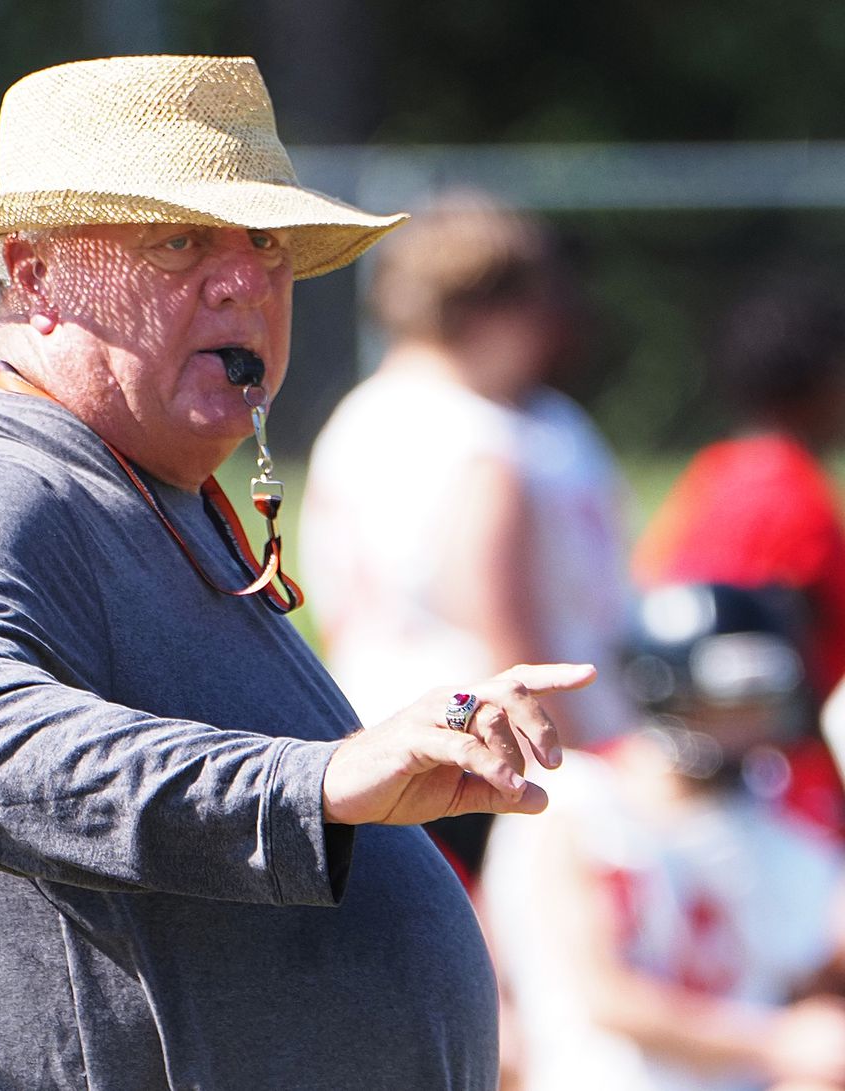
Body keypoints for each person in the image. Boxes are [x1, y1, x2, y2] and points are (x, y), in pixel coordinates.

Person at [0, 54, 593, 1090]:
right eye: (176, 241)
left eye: (264, 242)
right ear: (32, 276)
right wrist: (311, 780)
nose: (243, 280)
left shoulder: (133, 484)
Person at [298, 192, 633, 879]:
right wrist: (576, 759)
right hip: (488, 757)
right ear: (486, 307)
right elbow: (502, 619)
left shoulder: (361, 418)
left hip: (382, 735)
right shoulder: (484, 438)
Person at [481, 582, 845, 1091]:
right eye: (735, 705)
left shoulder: (772, 819)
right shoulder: (576, 806)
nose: (758, 724)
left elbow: (809, 966)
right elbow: (604, 995)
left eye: (765, 702)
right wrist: (775, 1041)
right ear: (669, 696)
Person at [634, 273, 845, 838]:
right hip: (765, 778)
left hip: (705, 755)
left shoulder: (715, 470)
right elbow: (765, 660)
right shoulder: (790, 494)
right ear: (818, 380)